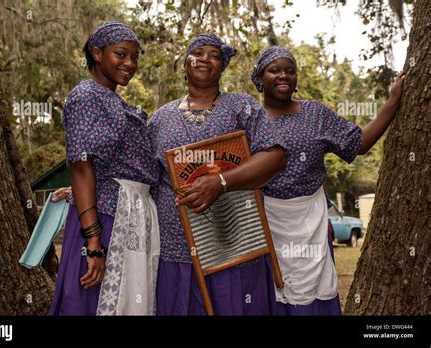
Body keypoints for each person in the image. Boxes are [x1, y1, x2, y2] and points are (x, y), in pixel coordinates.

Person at [251, 45, 406, 315]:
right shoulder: (249, 118)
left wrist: (392, 102)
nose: (284, 76)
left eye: (290, 71)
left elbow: (359, 144)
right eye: (274, 70)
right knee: (271, 296)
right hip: (266, 223)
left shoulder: (315, 114)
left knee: (313, 296)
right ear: (260, 79)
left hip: (310, 223)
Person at [149, 34, 287, 315]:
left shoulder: (241, 106)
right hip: (177, 251)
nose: (204, 58)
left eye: (214, 55)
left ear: (222, 67)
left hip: (233, 244)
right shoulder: (159, 119)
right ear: (184, 65)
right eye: (197, 52)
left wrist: (221, 183)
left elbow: (275, 157)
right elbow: (141, 177)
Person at [50, 21, 160, 316]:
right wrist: (95, 244)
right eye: (121, 54)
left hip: (130, 213)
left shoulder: (113, 101)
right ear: (97, 54)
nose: (130, 64)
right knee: (93, 300)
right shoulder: (87, 96)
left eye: (134, 58)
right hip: (106, 219)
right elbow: (81, 167)